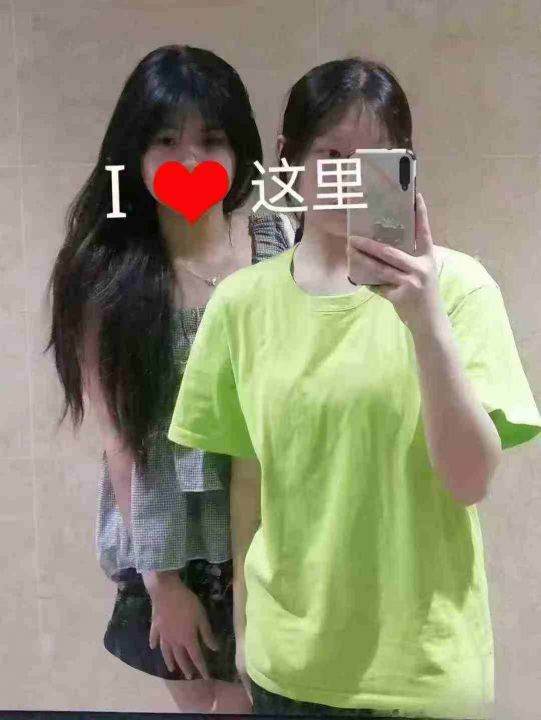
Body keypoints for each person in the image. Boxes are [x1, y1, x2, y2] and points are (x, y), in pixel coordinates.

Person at [166, 57, 541, 719]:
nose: (348, 180)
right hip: (289, 668)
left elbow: (469, 482)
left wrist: (424, 320)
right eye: (331, 156)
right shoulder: (241, 304)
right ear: (288, 157)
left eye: (373, 161)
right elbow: (248, 480)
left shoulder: (459, 290)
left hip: (423, 672)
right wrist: (246, 631)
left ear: (406, 166)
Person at [46, 44, 292, 714]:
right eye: (165, 140)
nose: (190, 159)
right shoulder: (108, 274)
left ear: (240, 150)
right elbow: (122, 442)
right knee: (212, 708)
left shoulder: (277, 245)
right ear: (134, 151)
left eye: (211, 140)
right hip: (174, 547)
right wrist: (163, 585)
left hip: (277, 529)